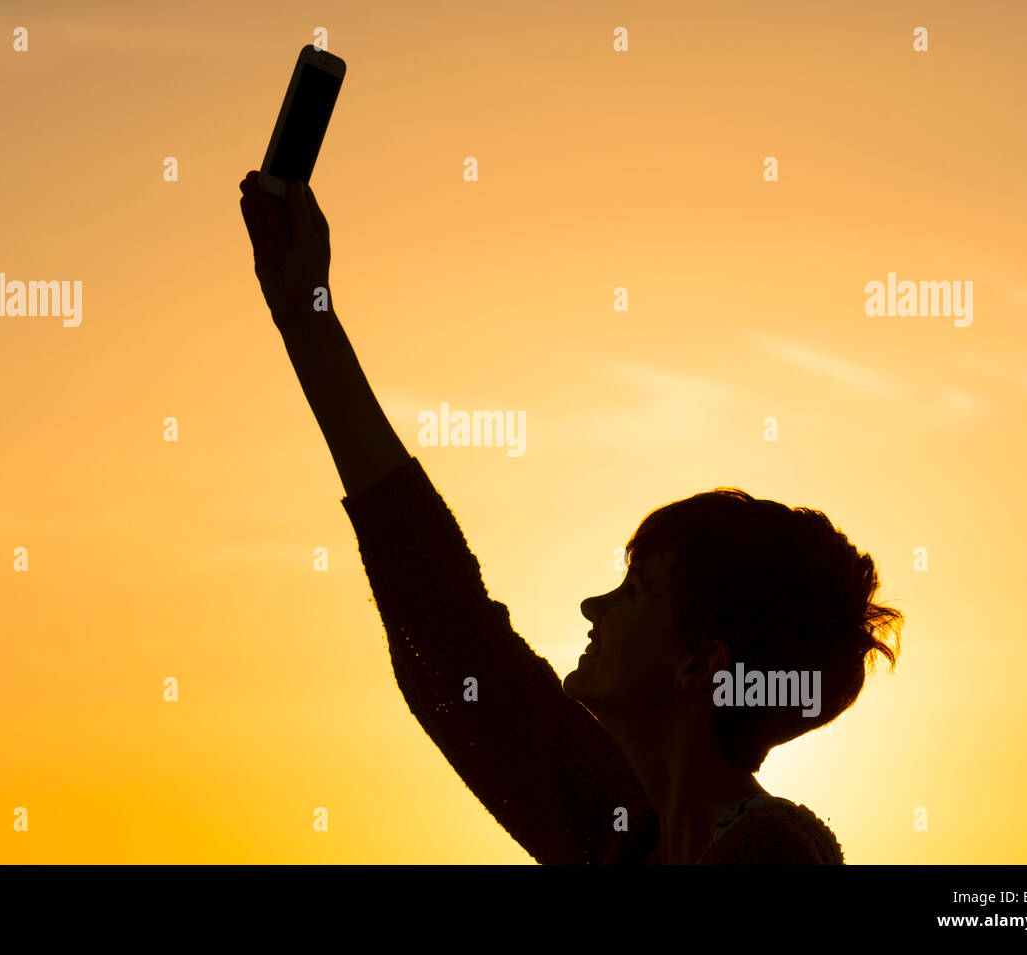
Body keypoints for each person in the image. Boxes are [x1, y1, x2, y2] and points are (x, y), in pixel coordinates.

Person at [238, 173, 903, 864]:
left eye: (635, 589)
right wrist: (305, 317)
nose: (593, 605)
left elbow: (458, 648)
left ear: (700, 663)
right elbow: (453, 638)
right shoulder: (621, 831)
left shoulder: (771, 856)